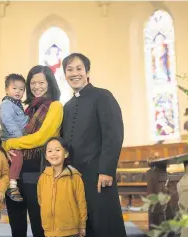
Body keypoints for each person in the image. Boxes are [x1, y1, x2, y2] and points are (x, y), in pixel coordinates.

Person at [61, 53, 126, 237]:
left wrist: (106, 170)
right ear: (65, 74)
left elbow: (113, 135)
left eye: (79, 69)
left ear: (87, 71)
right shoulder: (67, 106)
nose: (74, 73)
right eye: (69, 69)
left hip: (99, 175)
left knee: (105, 225)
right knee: (83, 226)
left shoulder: (103, 96)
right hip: (76, 177)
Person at [3, 65, 63, 237]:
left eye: (41, 82)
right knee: (17, 226)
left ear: (49, 83)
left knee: (40, 226)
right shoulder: (26, 109)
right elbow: (8, 131)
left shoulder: (55, 106)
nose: (37, 86)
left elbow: (42, 137)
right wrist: (4, 145)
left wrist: (10, 144)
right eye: (33, 83)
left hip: (37, 174)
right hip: (15, 173)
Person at [38, 137, 87, 237]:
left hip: (70, 230)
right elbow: (41, 201)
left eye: (57, 150)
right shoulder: (43, 177)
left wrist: (82, 225)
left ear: (66, 153)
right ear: (46, 156)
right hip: (49, 231)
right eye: (50, 151)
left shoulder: (75, 176)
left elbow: (81, 203)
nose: (54, 153)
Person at [0, 73, 28, 202]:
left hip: (17, 138)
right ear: (6, 89)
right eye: (14, 88)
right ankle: (12, 185)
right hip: (11, 139)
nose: (18, 91)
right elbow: (8, 121)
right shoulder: (6, 104)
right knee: (17, 157)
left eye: (21, 89)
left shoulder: (17, 104)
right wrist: (21, 138)